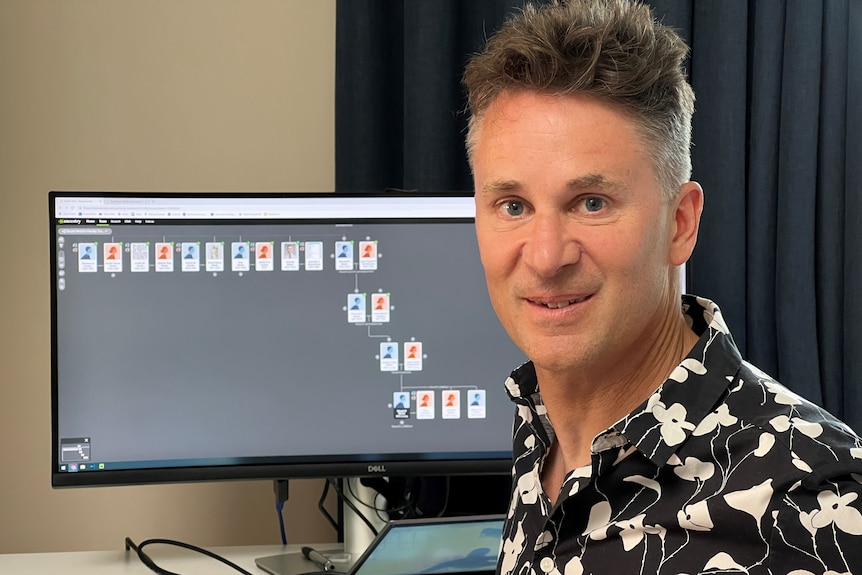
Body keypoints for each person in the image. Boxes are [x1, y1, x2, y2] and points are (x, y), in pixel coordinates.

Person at [462, 1, 862, 574]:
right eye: (513, 205)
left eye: (592, 203)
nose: (547, 257)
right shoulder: (545, 433)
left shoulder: (812, 503)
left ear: (681, 223)